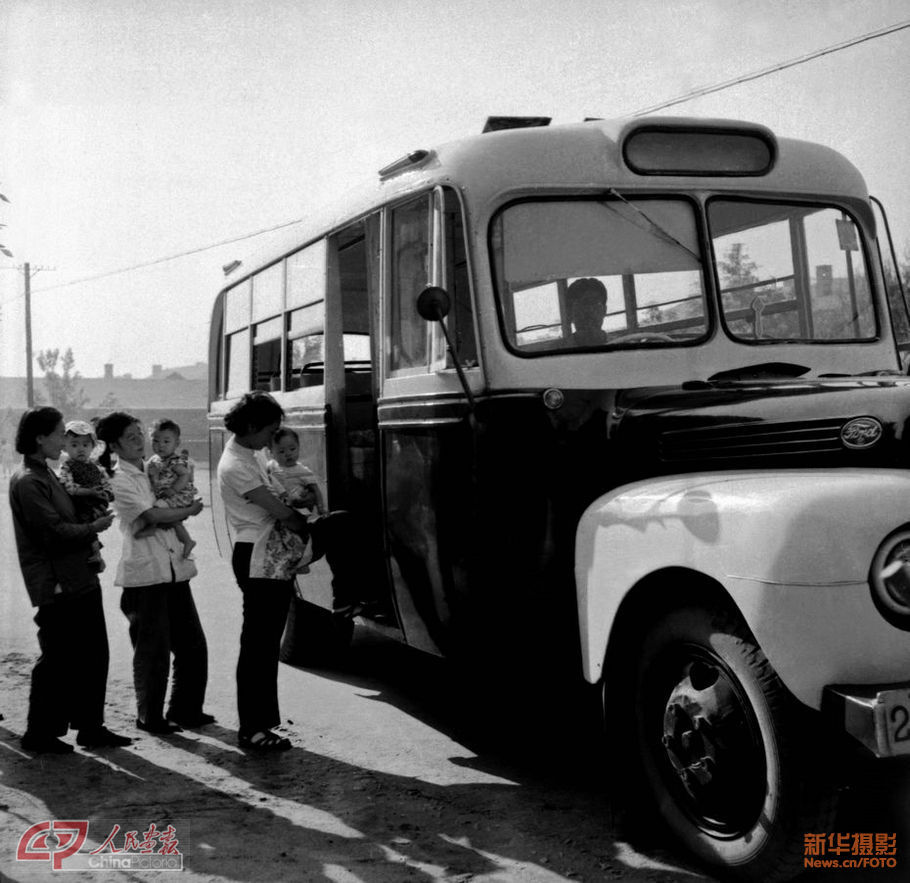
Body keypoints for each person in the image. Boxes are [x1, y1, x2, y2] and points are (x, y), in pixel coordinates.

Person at [217, 391, 366, 752]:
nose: (273, 439)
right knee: (259, 644)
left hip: (271, 550)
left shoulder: (247, 456)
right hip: (260, 555)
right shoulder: (236, 465)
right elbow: (279, 512)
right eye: (269, 431)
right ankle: (252, 729)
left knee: (263, 643)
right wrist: (306, 528)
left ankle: (258, 725)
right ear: (252, 426)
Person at [8, 406, 131, 753]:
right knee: (58, 658)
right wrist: (93, 528)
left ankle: (90, 726)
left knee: (92, 654)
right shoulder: (29, 481)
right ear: (40, 437)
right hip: (58, 582)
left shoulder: (45, 475)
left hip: (78, 577)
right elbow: (52, 533)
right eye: (60, 433)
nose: (65, 441)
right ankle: (40, 733)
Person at [95, 412, 213, 735]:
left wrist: (164, 515)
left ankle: (186, 709)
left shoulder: (151, 469)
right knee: (153, 651)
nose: (138, 440)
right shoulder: (118, 479)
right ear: (115, 444)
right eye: (130, 436)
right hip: (145, 575)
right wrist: (186, 511)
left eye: (139, 434)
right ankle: (150, 716)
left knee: (192, 644)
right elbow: (152, 514)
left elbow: (166, 506)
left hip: (174, 567)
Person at [57, 419, 114, 569]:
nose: (80, 449)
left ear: (92, 446)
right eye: (74, 445)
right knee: (87, 528)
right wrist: (89, 491)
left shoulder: (96, 467)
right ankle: (96, 554)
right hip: (80, 504)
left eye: (85, 444)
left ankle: (96, 554)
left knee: (96, 521)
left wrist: (106, 494)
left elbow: (107, 484)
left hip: (96, 503)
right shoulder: (67, 467)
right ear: (66, 447)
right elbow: (69, 487)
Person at [143, 418, 198, 559]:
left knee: (158, 508)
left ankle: (153, 527)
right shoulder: (154, 459)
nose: (160, 445)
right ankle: (187, 541)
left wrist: (173, 490)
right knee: (173, 520)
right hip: (166, 494)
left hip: (178, 494)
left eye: (166, 442)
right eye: (156, 441)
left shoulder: (175, 461)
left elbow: (184, 475)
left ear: (176, 443)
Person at [267, 427, 327, 517]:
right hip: (278, 510)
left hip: (299, 511)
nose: (288, 454)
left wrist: (321, 508)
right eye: (281, 451)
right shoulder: (271, 466)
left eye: (292, 449)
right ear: (271, 452)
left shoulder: (304, 471)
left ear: (298, 447)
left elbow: (316, 490)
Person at [566, 277, 609, 346]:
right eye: (582, 304)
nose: (589, 310)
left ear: (604, 310)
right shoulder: (557, 354)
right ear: (569, 313)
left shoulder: (622, 349)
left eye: (595, 303)